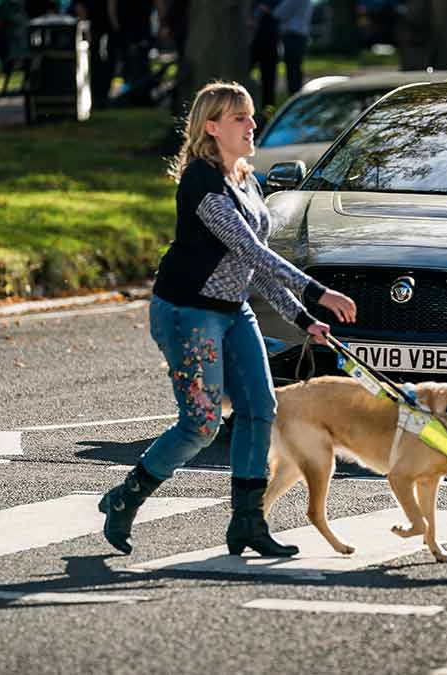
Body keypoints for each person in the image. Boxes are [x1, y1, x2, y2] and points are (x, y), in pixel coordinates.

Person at [99, 81, 357, 557]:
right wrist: (318, 293)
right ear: (212, 126)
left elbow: (252, 270)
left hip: (233, 311)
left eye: (252, 117)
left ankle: (247, 525)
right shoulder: (202, 180)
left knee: (262, 410)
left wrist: (304, 320)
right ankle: (125, 498)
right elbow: (249, 250)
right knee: (201, 426)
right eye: (241, 118)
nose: (252, 125)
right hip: (187, 312)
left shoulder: (245, 177)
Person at [270, 0, 313, 96]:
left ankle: (294, 94)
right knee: (296, 67)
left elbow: (279, 13)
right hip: (301, 34)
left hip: (293, 35)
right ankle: (296, 93)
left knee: (292, 68)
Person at [250, 1, 282, 111]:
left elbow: (278, 14)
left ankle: (267, 111)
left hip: (269, 41)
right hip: (257, 41)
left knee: (268, 81)